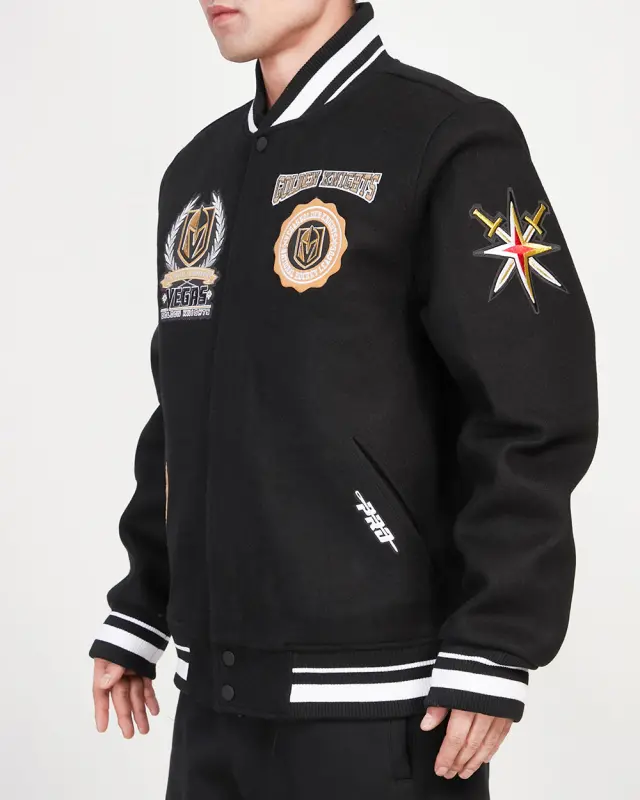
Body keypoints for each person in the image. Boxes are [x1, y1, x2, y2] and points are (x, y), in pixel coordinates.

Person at [89, 1, 598, 798]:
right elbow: (188, 406)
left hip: (383, 713)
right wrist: (143, 600)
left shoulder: (449, 140)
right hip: (212, 705)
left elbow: (535, 402)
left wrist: (497, 637)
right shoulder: (198, 171)